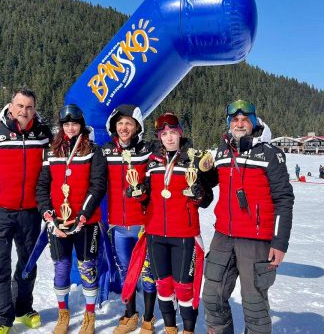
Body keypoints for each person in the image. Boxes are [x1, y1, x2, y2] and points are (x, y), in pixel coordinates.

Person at [200, 99, 294, 334]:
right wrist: (198, 176)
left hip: (256, 238)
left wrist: (279, 242)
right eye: (235, 119)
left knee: (254, 304)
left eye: (244, 119)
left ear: (253, 122)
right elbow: (209, 184)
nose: (239, 124)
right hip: (223, 235)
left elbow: (284, 199)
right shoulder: (221, 151)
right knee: (212, 296)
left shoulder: (270, 154)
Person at [0, 88, 52, 334]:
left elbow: (52, 171)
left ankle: (23, 308)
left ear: (34, 109)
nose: (24, 111)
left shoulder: (43, 134)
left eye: (29, 107)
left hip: (30, 211)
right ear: (10, 105)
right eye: (20, 106)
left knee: (28, 263)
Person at [131, 112, 213, 334]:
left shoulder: (192, 160)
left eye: (173, 133)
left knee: (184, 289)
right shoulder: (151, 161)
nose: (169, 138)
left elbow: (207, 200)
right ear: (159, 136)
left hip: (184, 235)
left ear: (181, 134)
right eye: (164, 134)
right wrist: (138, 194)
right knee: (163, 286)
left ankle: (188, 330)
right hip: (155, 234)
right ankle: (170, 329)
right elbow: (145, 195)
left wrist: (198, 194)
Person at [35, 104, 107, 334]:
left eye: (74, 124)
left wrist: (82, 216)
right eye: (66, 124)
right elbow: (42, 186)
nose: (70, 128)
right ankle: (63, 313)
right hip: (58, 223)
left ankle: (89, 315)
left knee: (87, 268)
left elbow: (97, 187)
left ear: (81, 126)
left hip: (86, 221)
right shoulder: (51, 151)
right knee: (61, 267)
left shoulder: (93, 151)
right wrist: (49, 216)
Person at [101, 104, 157, 333]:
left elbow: (157, 177)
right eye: (120, 123)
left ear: (137, 127)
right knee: (126, 271)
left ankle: (148, 318)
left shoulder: (147, 150)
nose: (124, 128)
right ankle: (131, 314)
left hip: (143, 223)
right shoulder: (105, 151)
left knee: (147, 272)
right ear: (114, 126)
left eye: (129, 124)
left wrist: (143, 188)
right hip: (118, 225)